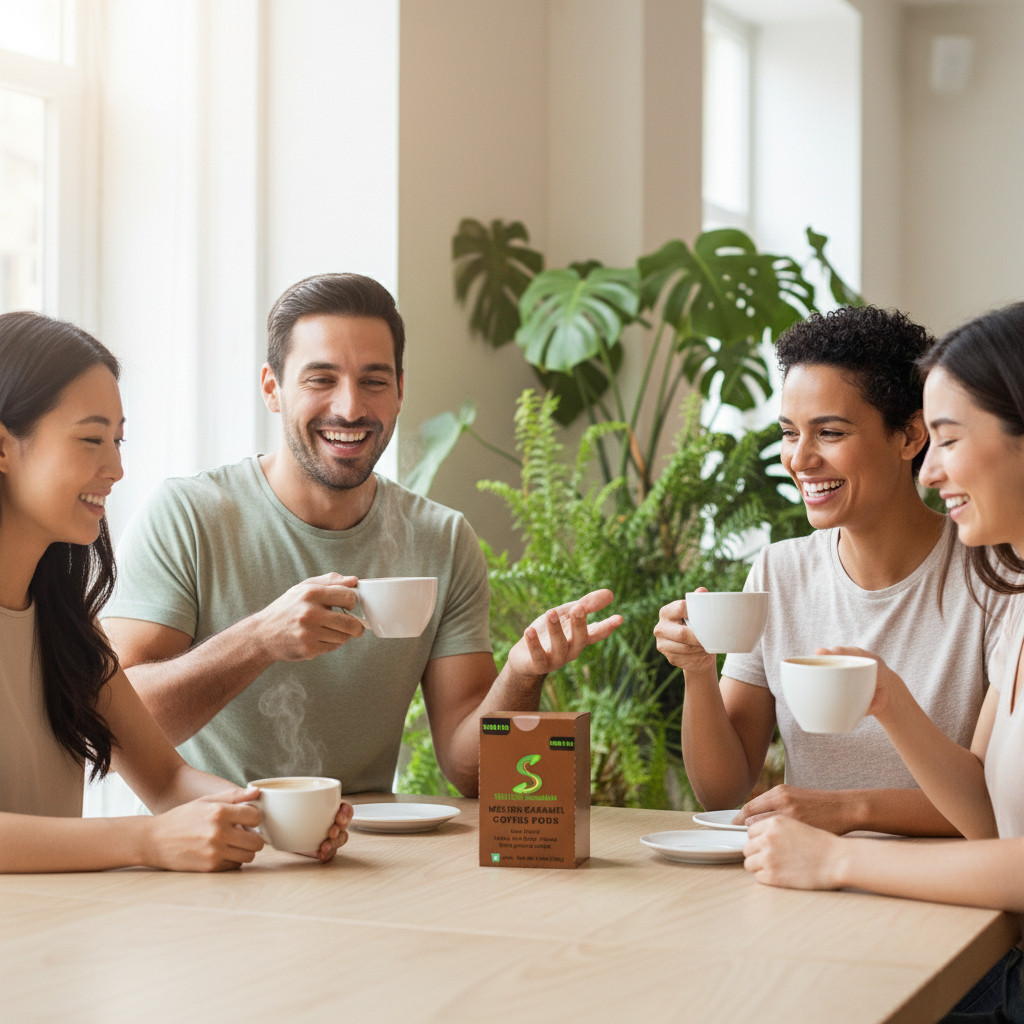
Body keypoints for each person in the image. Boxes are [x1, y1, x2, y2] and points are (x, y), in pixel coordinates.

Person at [102, 273, 621, 797]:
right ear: (272, 389)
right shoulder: (187, 516)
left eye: (374, 381)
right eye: (320, 379)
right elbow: (121, 722)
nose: (350, 408)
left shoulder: (442, 539)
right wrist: (260, 640)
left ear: (400, 391)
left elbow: (470, 773)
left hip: (366, 855)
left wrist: (521, 673)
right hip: (209, 850)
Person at [742, 302, 1024, 1023]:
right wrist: (889, 700)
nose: (930, 473)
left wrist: (840, 856)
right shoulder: (1018, 600)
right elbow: (990, 820)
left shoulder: (987, 587)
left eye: (949, 442)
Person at [0, 310, 350, 871]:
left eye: (118, 439)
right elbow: (156, 818)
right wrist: (146, 841)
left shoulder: (65, 623)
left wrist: (275, 816)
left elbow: (166, 778)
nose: (116, 467)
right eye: (91, 439)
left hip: (57, 939)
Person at [654, 305, 1010, 836]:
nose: (799, 459)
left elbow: (992, 807)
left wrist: (845, 810)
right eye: (789, 432)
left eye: (830, 433)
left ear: (910, 437)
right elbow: (721, 791)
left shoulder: (992, 574)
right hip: (808, 878)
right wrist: (699, 671)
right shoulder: (780, 572)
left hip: (948, 889)